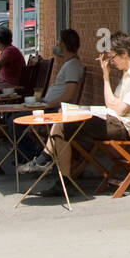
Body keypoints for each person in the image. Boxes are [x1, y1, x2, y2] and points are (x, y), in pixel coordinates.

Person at [40, 31, 130, 196]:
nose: (111, 62)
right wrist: (106, 76)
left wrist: (110, 93)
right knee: (64, 116)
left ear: (124, 53)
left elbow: (120, 109)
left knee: (64, 122)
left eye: (112, 57)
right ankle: (60, 175)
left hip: (123, 128)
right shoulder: (128, 72)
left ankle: (49, 164)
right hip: (112, 118)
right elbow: (111, 103)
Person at [16, 29, 84, 171]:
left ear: (64, 45)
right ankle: (33, 156)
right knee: (15, 116)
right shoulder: (69, 63)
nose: (57, 44)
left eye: (59, 41)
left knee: (15, 120)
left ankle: (32, 156)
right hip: (48, 105)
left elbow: (68, 95)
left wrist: (45, 104)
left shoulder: (72, 66)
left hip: (54, 109)